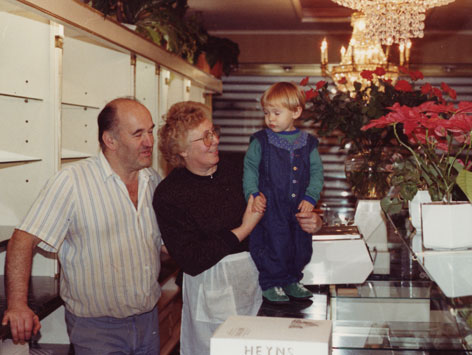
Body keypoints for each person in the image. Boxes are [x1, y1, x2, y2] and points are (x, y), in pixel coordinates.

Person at [153, 100, 322, 355]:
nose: (215, 140)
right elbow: (192, 260)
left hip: (261, 282)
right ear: (182, 151)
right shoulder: (169, 194)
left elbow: (284, 200)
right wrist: (244, 229)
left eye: (213, 131)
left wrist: (313, 219)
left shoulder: (239, 168)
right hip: (209, 294)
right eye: (205, 137)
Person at [2, 98, 162, 355]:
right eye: (138, 134)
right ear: (110, 140)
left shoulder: (153, 180)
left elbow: (161, 243)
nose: (150, 142)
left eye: (151, 130)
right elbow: (22, 239)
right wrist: (18, 305)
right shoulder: (72, 182)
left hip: (147, 322)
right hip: (97, 330)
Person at [243, 81, 324, 304]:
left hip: (299, 205)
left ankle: (292, 280)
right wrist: (253, 194)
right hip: (271, 205)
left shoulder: (309, 143)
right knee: (272, 242)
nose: (270, 118)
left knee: (300, 242)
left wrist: (310, 197)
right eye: (267, 112)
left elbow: (317, 173)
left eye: (276, 113)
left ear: (296, 111)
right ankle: (270, 282)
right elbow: (249, 169)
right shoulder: (260, 141)